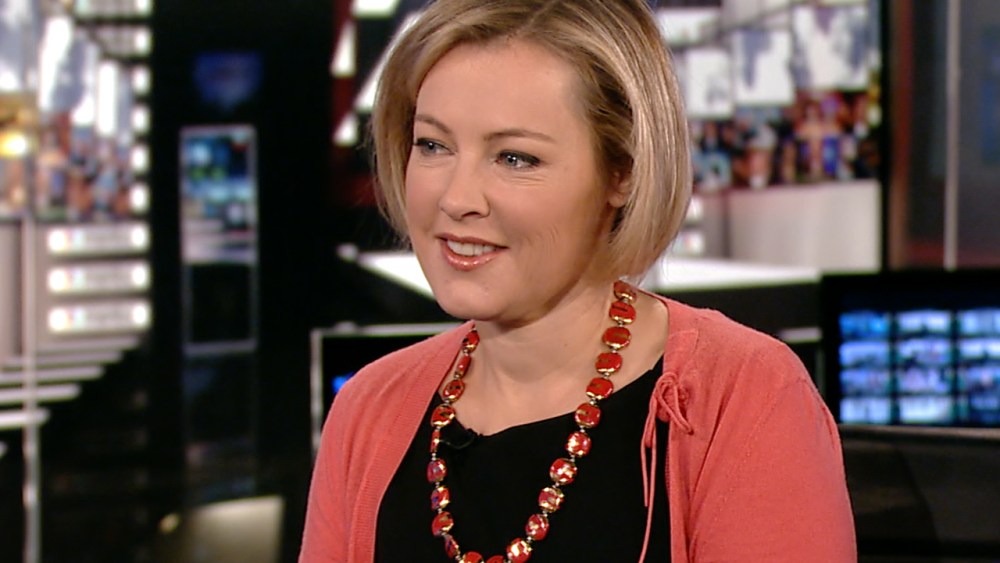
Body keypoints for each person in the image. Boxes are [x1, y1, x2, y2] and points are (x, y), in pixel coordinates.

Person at [301, 0, 856, 561]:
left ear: (622, 171)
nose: (456, 198)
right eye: (433, 146)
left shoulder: (744, 399)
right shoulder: (366, 411)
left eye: (515, 158)